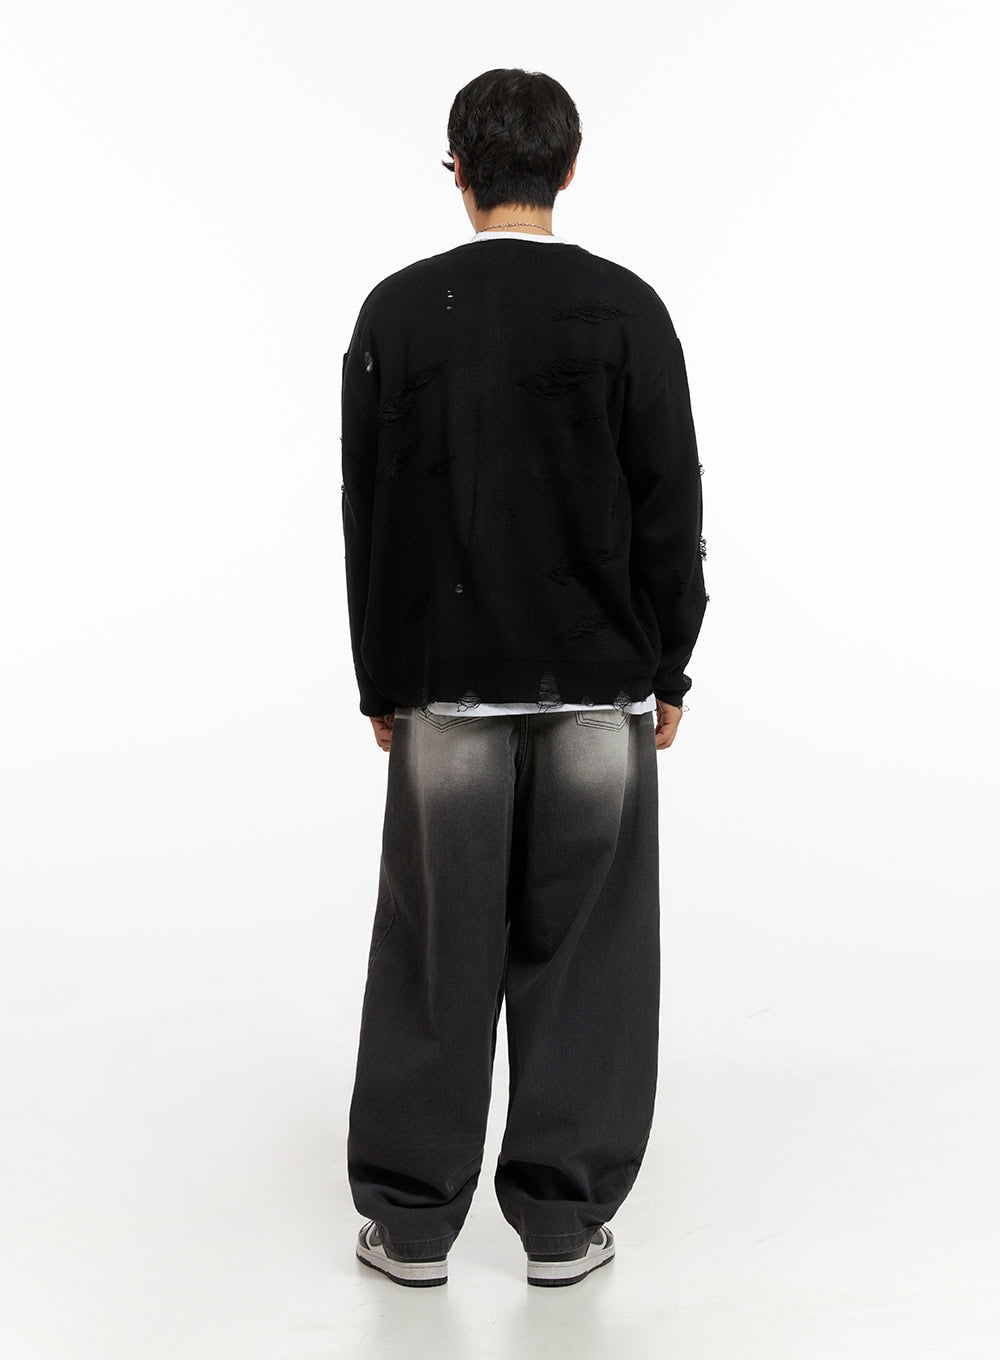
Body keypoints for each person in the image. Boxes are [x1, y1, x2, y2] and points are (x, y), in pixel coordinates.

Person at [342, 67, 709, 1289]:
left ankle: (410, 1227)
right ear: (569, 166)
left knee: (433, 957)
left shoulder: (399, 313)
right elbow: (669, 500)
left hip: (444, 689)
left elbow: (371, 515)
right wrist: (670, 661)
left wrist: (382, 680)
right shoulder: (625, 309)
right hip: (598, 688)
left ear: (457, 169)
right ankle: (562, 1226)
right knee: (589, 961)